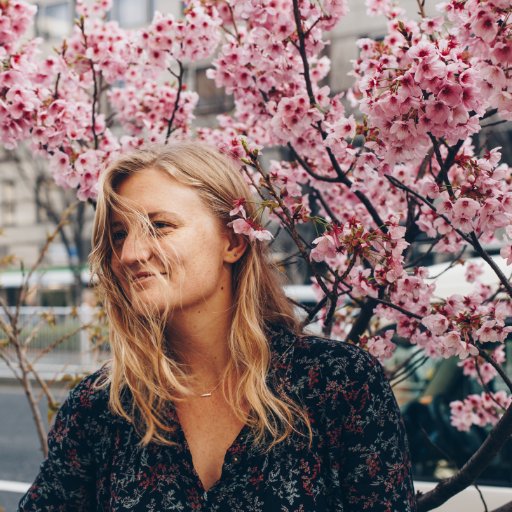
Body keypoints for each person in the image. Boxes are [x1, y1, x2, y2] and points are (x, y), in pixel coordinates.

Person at [19, 143, 417, 511]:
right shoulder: (100, 409)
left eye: (159, 226)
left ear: (233, 242)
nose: (130, 254)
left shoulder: (337, 383)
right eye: (120, 234)